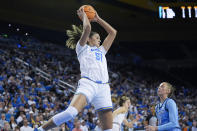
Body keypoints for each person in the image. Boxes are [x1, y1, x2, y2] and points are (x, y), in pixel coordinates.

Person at [38, 5, 117, 131]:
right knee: (71, 113)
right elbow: (87, 28)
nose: (99, 40)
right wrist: (84, 16)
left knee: (109, 129)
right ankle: (40, 129)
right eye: (97, 38)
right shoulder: (82, 48)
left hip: (104, 87)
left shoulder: (101, 51)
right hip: (88, 84)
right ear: (89, 39)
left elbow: (113, 33)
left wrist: (98, 19)